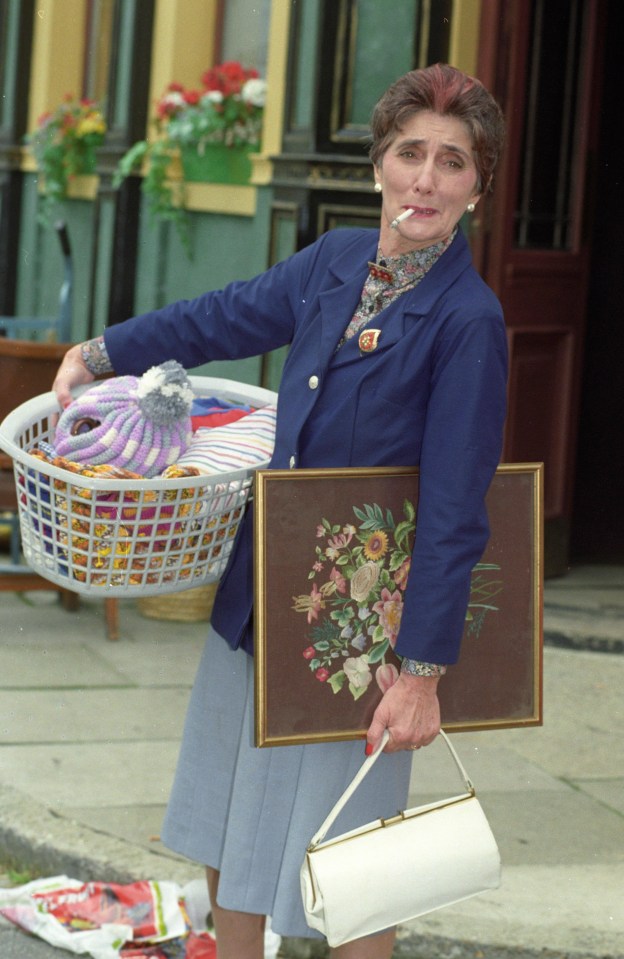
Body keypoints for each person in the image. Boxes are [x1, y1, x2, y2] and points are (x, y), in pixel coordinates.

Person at [54, 63, 507, 959]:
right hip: (264, 594)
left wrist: (420, 671)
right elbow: (222, 317)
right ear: (379, 164)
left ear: (476, 189)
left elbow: (457, 508)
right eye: (410, 152)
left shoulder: (469, 320)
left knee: (353, 862)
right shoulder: (337, 261)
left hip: (363, 635)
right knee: (233, 823)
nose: (426, 177)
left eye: (451, 162)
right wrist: (102, 352)